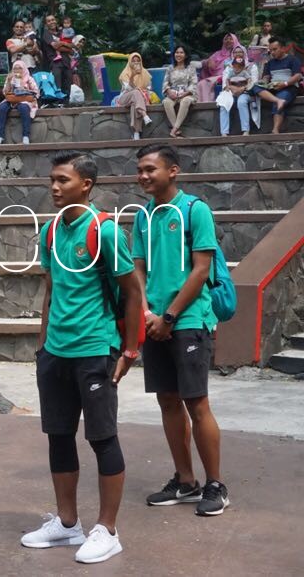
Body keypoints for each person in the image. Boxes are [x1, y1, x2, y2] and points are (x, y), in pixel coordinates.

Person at [21, 151, 141, 565]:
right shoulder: (50, 232)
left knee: (102, 437)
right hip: (56, 352)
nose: (54, 187)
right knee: (58, 436)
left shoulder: (105, 232)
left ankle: (107, 529)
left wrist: (129, 349)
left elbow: (133, 292)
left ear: (86, 185)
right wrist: (42, 347)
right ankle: (68, 524)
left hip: (95, 349)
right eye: (51, 180)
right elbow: (51, 291)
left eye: (62, 180)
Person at [133, 144, 230, 517]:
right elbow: (138, 269)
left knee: (196, 403)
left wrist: (169, 317)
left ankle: (216, 485)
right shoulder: (143, 216)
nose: (143, 176)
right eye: (140, 169)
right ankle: (186, 481)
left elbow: (201, 270)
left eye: (150, 169)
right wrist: (146, 313)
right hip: (155, 322)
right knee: (168, 401)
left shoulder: (195, 210)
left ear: (173, 171)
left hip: (189, 321)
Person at [252, 36, 301, 133]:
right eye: (270, 50)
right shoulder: (270, 63)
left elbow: (298, 76)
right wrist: (264, 82)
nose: (272, 53)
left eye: (275, 49)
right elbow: (266, 77)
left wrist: (284, 84)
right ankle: (278, 100)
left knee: (280, 99)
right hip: (274, 87)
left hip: (289, 87)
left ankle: (275, 129)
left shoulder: (293, 60)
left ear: (283, 48)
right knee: (255, 87)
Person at [0, 60, 39, 145]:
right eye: (15, 68)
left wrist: (24, 89)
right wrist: (8, 81)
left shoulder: (29, 79)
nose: (17, 70)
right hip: (13, 99)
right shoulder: (11, 78)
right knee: (2, 108)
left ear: (24, 69)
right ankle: (0, 136)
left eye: (20, 68)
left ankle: (25, 136)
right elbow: (5, 92)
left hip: (24, 99)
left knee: (24, 108)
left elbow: (36, 92)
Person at [218, 45, 258, 136]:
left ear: (244, 53)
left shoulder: (251, 66)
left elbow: (253, 82)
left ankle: (245, 130)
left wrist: (242, 89)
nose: (238, 54)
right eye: (235, 52)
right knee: (224, 103)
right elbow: (225, 82)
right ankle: (224, 132)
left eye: (240, 52)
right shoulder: (229, 67)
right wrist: (232, 88)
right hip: (231, 90)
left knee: (241, 101)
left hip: (246, 91)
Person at [161, 45, 198, 138]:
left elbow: (194, 83)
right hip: (173, 94)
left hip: (187, 94)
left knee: (185, 101)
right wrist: (169, 92)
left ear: (185, 55)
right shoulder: (170, 68)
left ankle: (174, 129)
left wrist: (185, 93)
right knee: (166, 102)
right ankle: (176, 131)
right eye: (177, 52)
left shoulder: (191, 68)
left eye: (181, 52)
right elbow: (165, 83)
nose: (179, 54)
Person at [115, 52, 154, 140]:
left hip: (139, 99)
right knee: (136, 92)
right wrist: (133, 75)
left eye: (138, 61)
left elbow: (149, 88)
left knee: (134, 104)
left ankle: (136, 132)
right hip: (124, 98)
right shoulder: (125, 73)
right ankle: (144, 115)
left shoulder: (145, 73)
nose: (136, 63)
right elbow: (129, 89)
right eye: (133, 61)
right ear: (129, 62)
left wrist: (144, 91)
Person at [196, 34, 239, 103]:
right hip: (216, 76)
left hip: (231, 76)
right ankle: (203, 104)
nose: (228, 41)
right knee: (200, 83)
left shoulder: (238, 52)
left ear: (235, 40)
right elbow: (205, 62)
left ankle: (207, 104)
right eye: (226, 39)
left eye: (231, 39)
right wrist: (208, 61)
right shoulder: (218, 53)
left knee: (204, 83)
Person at [41, 15, 73, 93]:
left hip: (66, 62)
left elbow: (71, 47)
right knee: (57, 86)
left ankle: (66, 104)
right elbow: (55, 46)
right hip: (55, 63)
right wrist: (64, 44)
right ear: (46, 24)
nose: (51, 22)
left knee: (67, 85)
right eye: (49, 21)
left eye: (53, 20)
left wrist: (62, 44)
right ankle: (58, 104)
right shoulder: (46, 34)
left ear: (56, 21)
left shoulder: (62, 32)